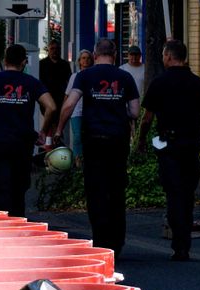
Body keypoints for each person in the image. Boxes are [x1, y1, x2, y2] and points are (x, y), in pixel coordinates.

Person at [53, 38, 139, 259]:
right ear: (115, 54)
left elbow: (70, 104)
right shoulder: (125, 77)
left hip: (94, 141)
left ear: (94, 53)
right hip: (118, 141)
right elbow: (135, 111)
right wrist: (118, 111)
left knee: (96, 190)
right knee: (116, 190)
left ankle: (101, 241)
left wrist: (58, 129)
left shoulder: (84, 76)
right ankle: (117, 242)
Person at [139, 38, 200, 260]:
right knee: (187, 195)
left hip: (169, 146)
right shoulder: (197, 83)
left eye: (163, 54)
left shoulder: (159, 83)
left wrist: (141, 141)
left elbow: (147, 118)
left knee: (173, 193)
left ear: (169, 56)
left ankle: (178, 243)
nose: (162, 58)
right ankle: (184, 244)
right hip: (191, 145)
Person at [0, 42, 56, 218]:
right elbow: (52, 107)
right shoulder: (32, 82)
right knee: (18, 190)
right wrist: (43, 132)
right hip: (22, 144)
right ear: (24, 62)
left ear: (4, 60)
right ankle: (17, 222)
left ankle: (3, 223)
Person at [38, 37, 72, 115]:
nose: (54, 51)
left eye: (57, 48)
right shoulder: (42, 64)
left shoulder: (65, 64)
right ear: (48, 50)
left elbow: (69, 81)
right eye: (52, 48)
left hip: (61, 98)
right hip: (46, 97)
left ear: (60, 50)